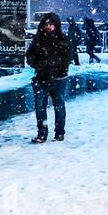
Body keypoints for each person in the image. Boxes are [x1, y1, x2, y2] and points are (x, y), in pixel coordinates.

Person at [25, 13, 71, 143]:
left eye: (51, 24)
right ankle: (42, 133)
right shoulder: (38, 40)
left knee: (58, 105)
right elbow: (30, 56)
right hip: (42, 77)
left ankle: (59, 133)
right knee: (41, 106)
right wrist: (38, 65)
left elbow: (67, 57)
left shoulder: (62, 40)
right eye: (47, 24)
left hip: (58, 78)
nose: (49, 27)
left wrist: (53, 66)